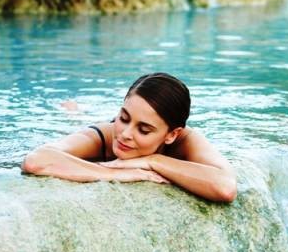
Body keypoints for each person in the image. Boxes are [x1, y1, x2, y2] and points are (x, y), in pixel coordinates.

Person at [21, 73, 237, 203]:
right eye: (124, 117)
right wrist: (112, 172)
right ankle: (73, 112)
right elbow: (35, 160)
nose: (124, 134)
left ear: (171, 134)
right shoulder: (104, 136)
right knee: (78, 122)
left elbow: (225, 187)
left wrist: (153, 161)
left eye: (144, 130)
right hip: (92, 131)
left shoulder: (186, 141)